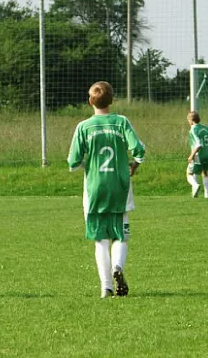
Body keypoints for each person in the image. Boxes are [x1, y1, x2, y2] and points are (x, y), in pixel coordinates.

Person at [67, 81, 146, 299]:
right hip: (119, 185)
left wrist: (87, 165)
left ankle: (106, 287)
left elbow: (72, 162)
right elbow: (139, 150)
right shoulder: (121, 122)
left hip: (94, 188)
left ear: (90, 101)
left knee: (100, 239)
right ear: (112, 99)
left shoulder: (84, 127)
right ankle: (118, 266)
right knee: (120, 234)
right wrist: (134, 164)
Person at [186, 111, 208, 198]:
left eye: (188, 120)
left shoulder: (193, 129)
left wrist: (192, 155)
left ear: (191, 120)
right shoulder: (205, 128)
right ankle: (207, 194)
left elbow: (198, 144)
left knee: (189, 173)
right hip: (207, 155)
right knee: (204, 172)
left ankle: (195, 186)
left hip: (198, 155)